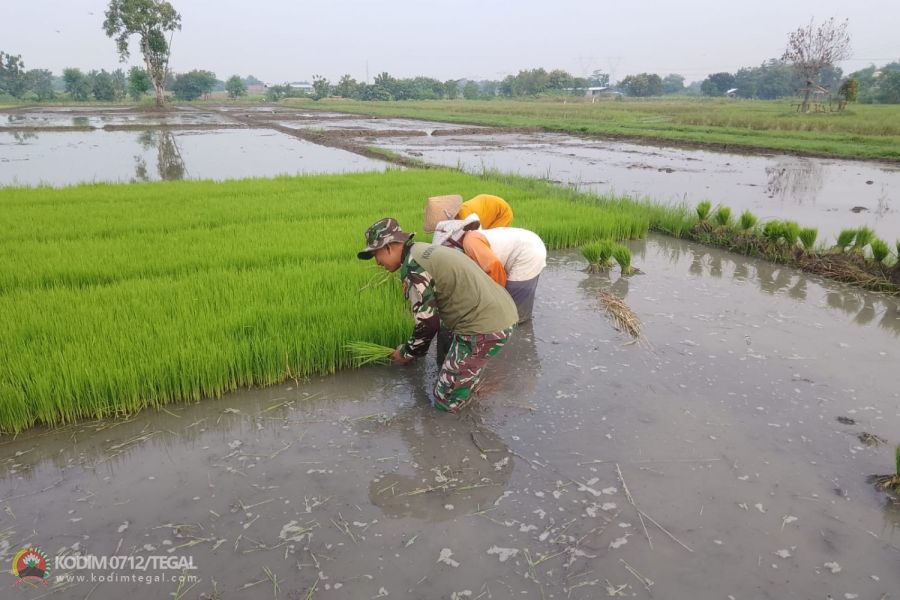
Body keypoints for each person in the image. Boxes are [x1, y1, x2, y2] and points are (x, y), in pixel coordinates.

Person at [357, 217, 518, 413]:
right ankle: (466, 383)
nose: (377, 262)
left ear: (388, 247)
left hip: (485, 328)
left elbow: (428, 324)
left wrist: (407, 353)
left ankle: (459, 425)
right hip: (500, 310)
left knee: (443, 401)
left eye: (376, 255)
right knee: (456, 369)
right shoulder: (421, 250)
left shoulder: (413, 267)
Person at [433, 220, 547, 323]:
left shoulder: (470, 242)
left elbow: (494, 267)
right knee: (519, 302)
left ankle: (515, 336)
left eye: (448, 246)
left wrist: (496, 297)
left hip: (527, 253)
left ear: (453, 239)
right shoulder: (472, 238)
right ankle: (521, 325)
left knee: (509, 312)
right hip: (530, 245)